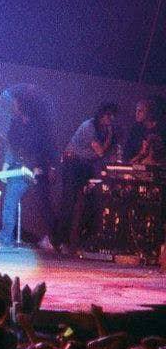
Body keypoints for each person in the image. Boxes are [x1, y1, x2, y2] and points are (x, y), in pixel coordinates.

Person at [0, 88, 56, 249]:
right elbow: (11, 147)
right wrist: (5, 167)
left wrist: (41, 167)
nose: (12, 105)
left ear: (22, 104)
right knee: (11, 201)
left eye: (15, 103)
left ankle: (49, 238)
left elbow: (45, 147)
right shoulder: (16, 124)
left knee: (40, 204)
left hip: (34, 169)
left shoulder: (37, 126)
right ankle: (5, 237)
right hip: (20, 168)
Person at [56, 103, 118, 248]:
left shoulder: (104, 129)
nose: (111, 119)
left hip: (86, 165)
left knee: (91, 201)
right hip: (73, 164)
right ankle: (59, 240)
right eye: (109, 116)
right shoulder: (89, 126)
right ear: (102, 115)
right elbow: (99, 151)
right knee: (69, 202)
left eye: (113, 116)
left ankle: (82, 240)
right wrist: (109, 138)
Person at [124, 98, 164, 166]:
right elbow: (127, 154)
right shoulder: (135, 130)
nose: (137, 114)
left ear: (149, 112)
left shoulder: (161, 129)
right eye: (136, 110)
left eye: (140, 111)